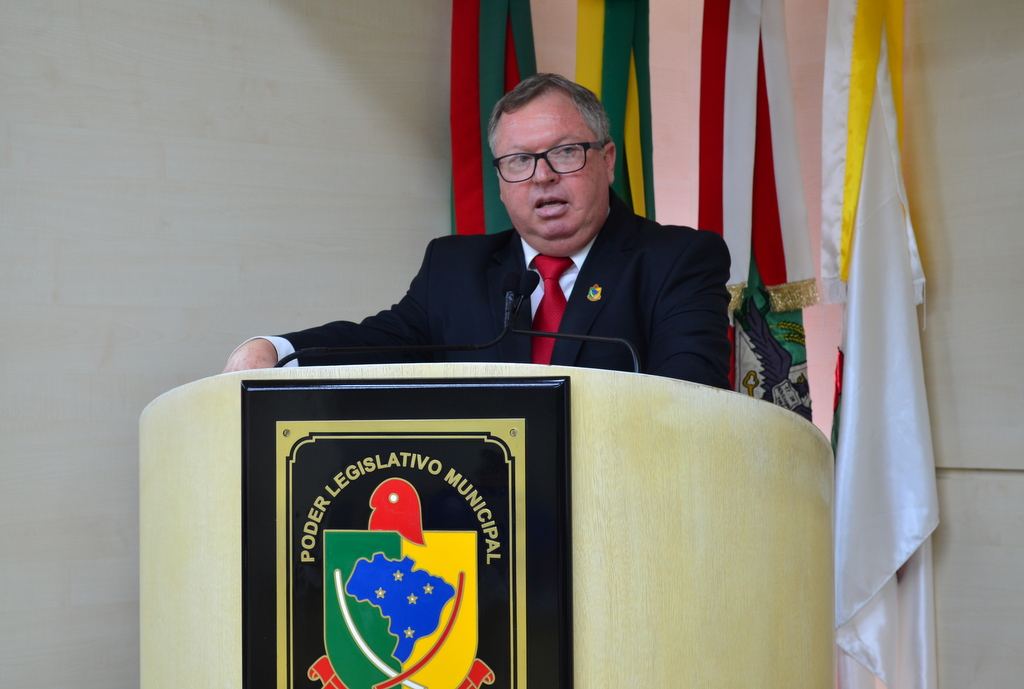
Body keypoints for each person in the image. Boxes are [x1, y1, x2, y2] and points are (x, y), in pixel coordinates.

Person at [223, 73, 732, 388]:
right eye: (519, 161)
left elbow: (689, 395)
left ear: (607, 160)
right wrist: (276, 350)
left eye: (564, 152)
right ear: (500, 181)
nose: (543, 175)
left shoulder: (679, 260)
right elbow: (375, 342)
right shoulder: (454, 268)